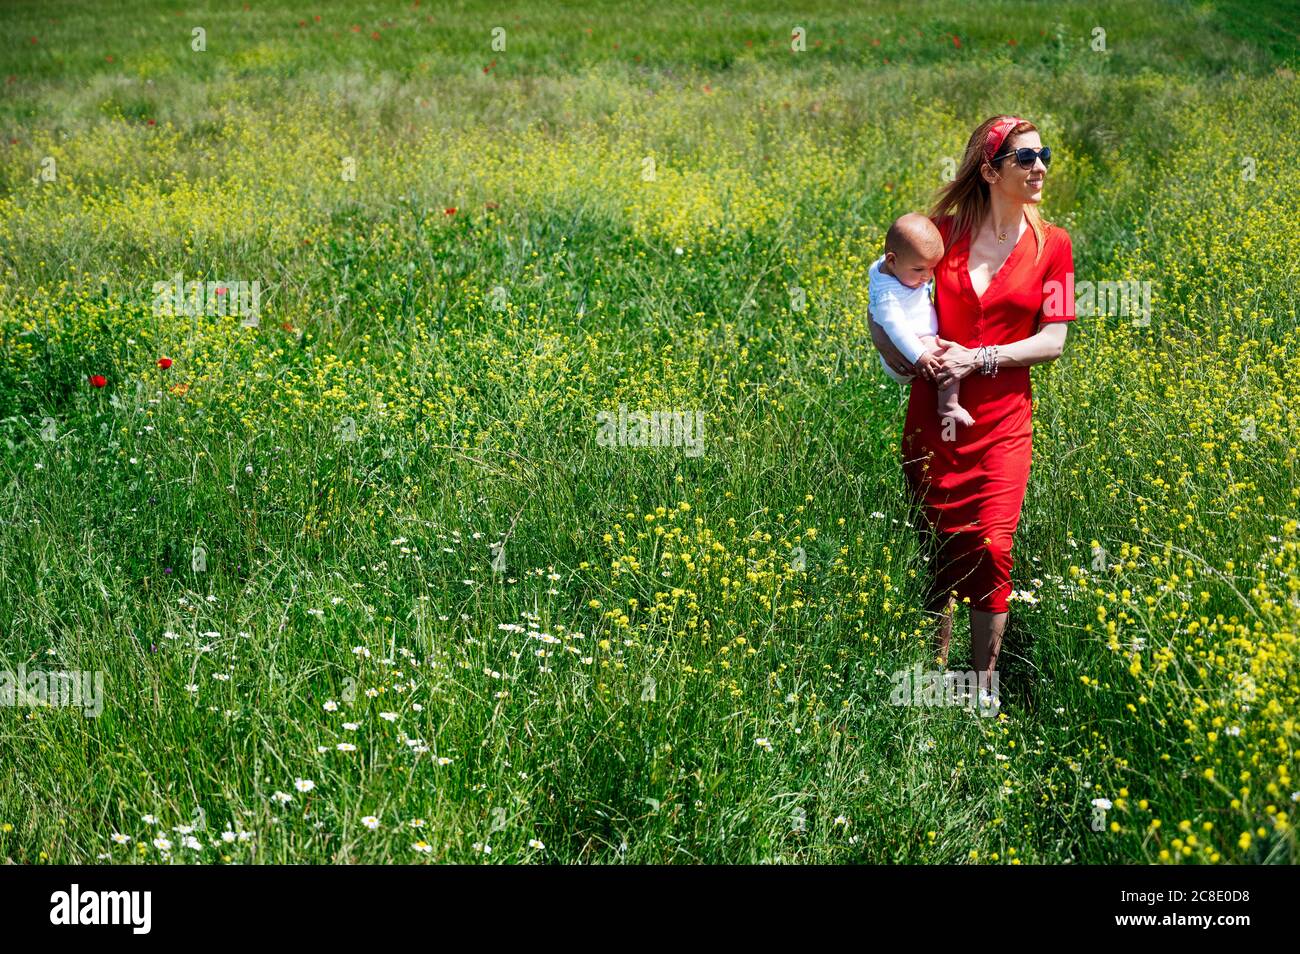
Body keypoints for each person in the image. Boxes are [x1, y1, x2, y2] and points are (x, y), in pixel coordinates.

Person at [869, 115, 1077, 706]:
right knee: (938, 545)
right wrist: (896, 353)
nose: (1039, 167)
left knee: (991, 544)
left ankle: (981, 689)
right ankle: (937, 683)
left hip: (1004, 422)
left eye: (1044, 155)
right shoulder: (939, 234)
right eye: (1025, 158)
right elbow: (881, 292)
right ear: (990, 171)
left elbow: (1054, 341)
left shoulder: (1055, 246)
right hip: (933, 417)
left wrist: (979, 359)